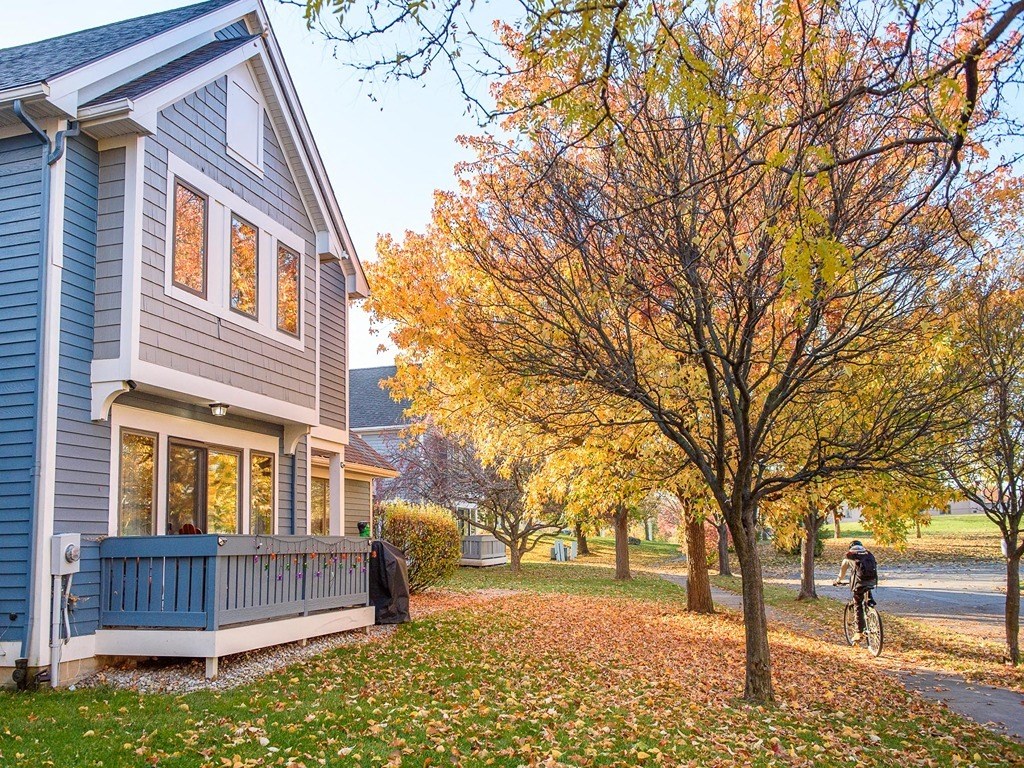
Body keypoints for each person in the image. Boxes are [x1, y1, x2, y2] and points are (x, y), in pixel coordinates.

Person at [833, 540, 878, 643]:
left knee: (857, 603)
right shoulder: (868, 553)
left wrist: (838, 581)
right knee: (867, 593)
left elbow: (842, 573)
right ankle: (871, 606)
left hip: (859, 583)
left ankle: (858, 632)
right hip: (872, 580)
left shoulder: (849, 556)